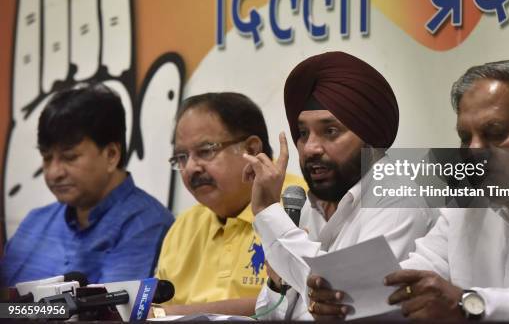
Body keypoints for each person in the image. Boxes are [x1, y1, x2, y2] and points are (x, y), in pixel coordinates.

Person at [307, 60, 509, 321]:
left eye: (494, 134)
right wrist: (348, 297)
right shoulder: (467, 202)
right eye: (466, 138)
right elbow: (417, 274)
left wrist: (473, 305)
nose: (474, 151)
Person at [246, 51, 438, 320]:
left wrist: (269, 214)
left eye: (330, 131)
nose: (310, 147)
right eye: (302, 133)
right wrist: (278, 281)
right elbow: (267, 315)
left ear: (370, 139)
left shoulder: (397, 200)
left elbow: (348, 304)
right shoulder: (303, 207)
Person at [1, 84, 174, 286]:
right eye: (47, 158)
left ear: (111, 155)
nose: (54, 172)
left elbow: (112, 315)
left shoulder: (145, 224)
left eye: (70, 157)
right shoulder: (35, 222)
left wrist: (17, 312)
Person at [153, 93, 304, 317]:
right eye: (182, 157)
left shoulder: (298, 205)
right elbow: (157, 305)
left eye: (206, 151)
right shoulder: (185, 226)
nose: (192, 167)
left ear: (251, 150)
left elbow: (297, 303)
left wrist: (172, 314)